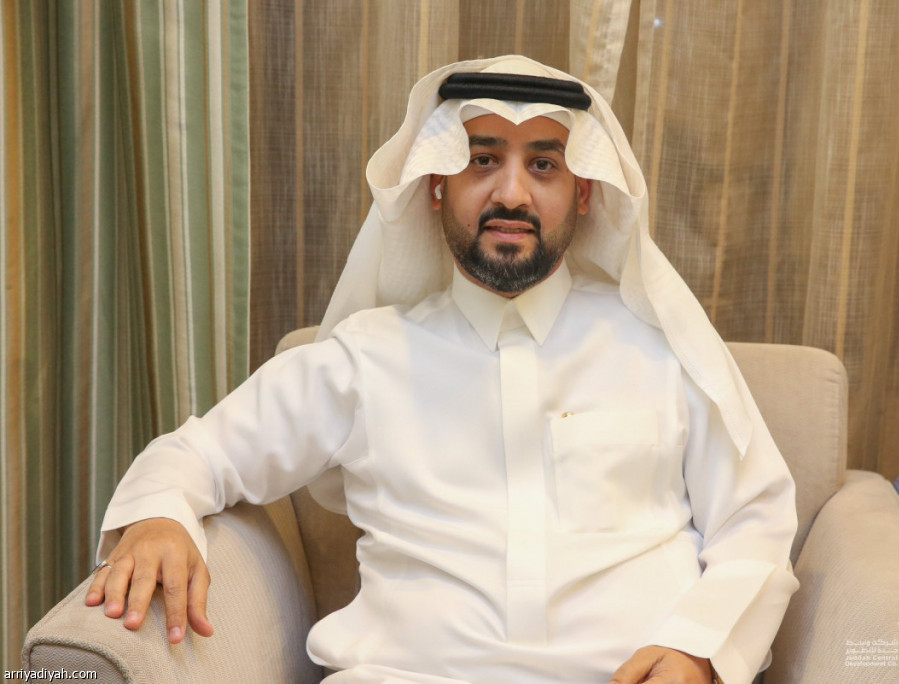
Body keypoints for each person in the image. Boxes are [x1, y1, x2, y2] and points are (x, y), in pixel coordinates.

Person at [85, 55, 798, 684]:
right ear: (434, 185)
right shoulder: (364, 360)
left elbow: (755, 519)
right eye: (482, 160)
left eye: (544, 165)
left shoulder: (660, 348)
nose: (512, 194)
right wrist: (158, 517)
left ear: (584, 192)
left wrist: (698, 649)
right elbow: (198, 454)